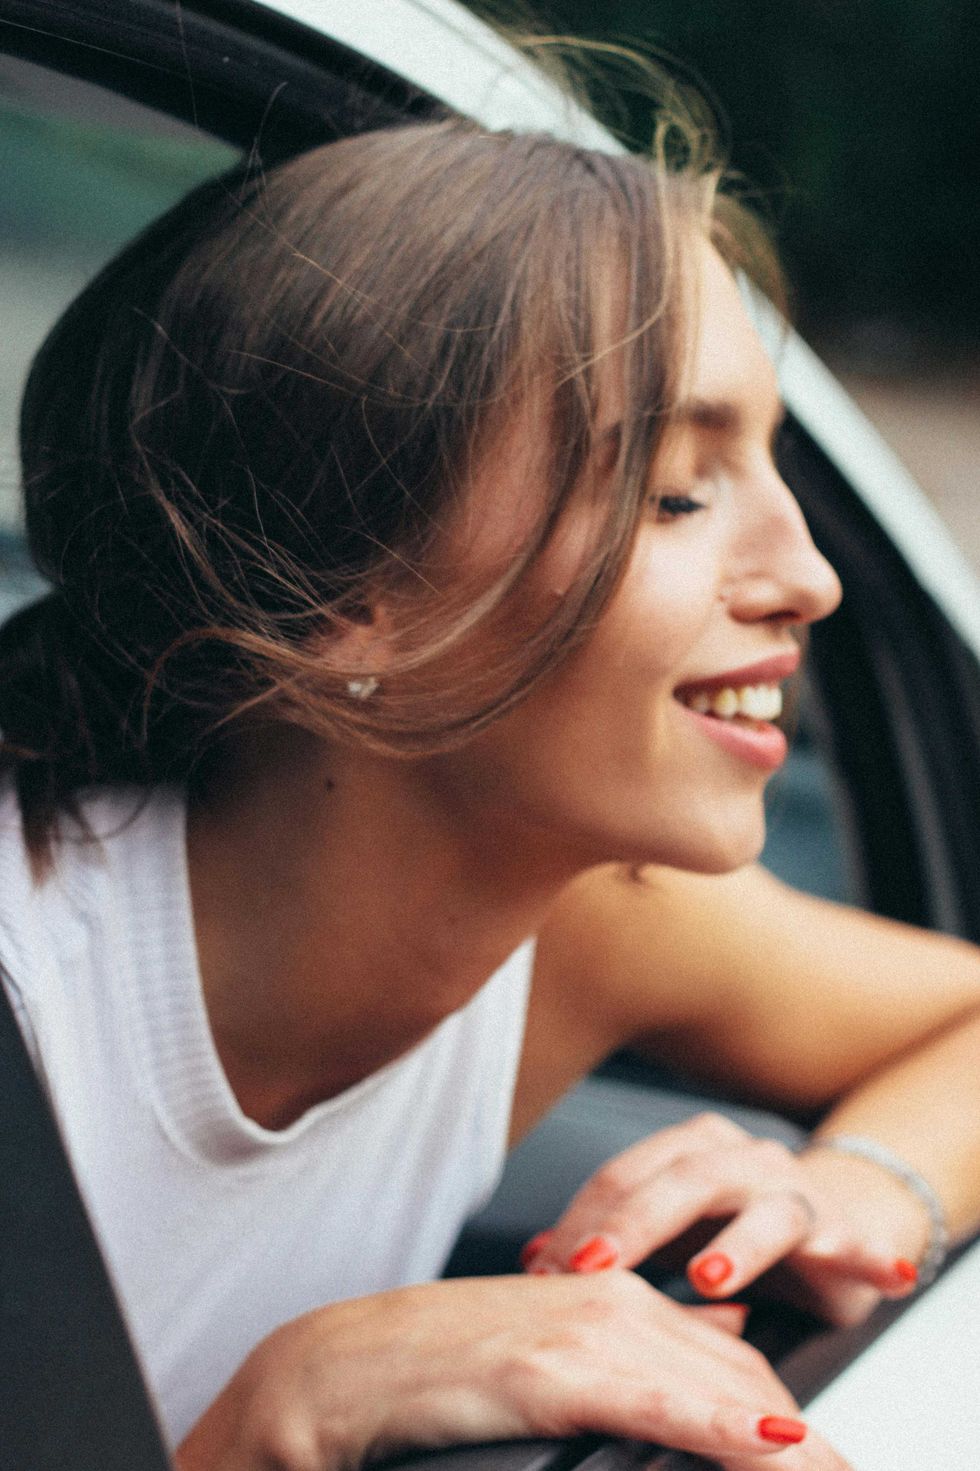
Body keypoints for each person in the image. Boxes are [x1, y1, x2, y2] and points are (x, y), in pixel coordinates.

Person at [1, 104, 978, 1471]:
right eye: (676, 492)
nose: (809, 576)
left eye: (771, 468)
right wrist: (289, 1407)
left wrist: (857, 1188)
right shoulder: (39, 984)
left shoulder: (579, 918)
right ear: (348, 593)